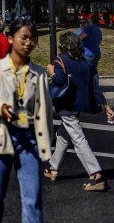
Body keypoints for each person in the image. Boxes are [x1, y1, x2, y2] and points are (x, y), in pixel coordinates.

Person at [0, 19, 53, 223]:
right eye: (23, 37)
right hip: (0, 136)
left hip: (29, 139)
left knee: (33, 198)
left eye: (33, 38)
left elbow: (46, 111)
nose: (28, 42)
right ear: (10, 39)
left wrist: (46, 144)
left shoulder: (39, 73)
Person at [45, 32, 107, 191]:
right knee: (62, 135)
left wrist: (51, 71)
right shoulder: (84, 62)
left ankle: (96, 174)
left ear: (63, 45)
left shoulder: (61, 60)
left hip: (66, 106)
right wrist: (105, 104)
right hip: (80, 106)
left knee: (79, 139)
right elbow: (94, 86)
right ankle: (53, 168)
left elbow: (58, 80)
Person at [79, 13, 114, 122]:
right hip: (96, 54)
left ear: (90, 20)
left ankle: (101, 105)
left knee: (87, 80)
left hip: (87, 55)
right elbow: (98, 42)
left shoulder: (89, 29)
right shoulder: (98, 30)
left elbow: (78, 38)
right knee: (93, 77)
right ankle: (106, 108)